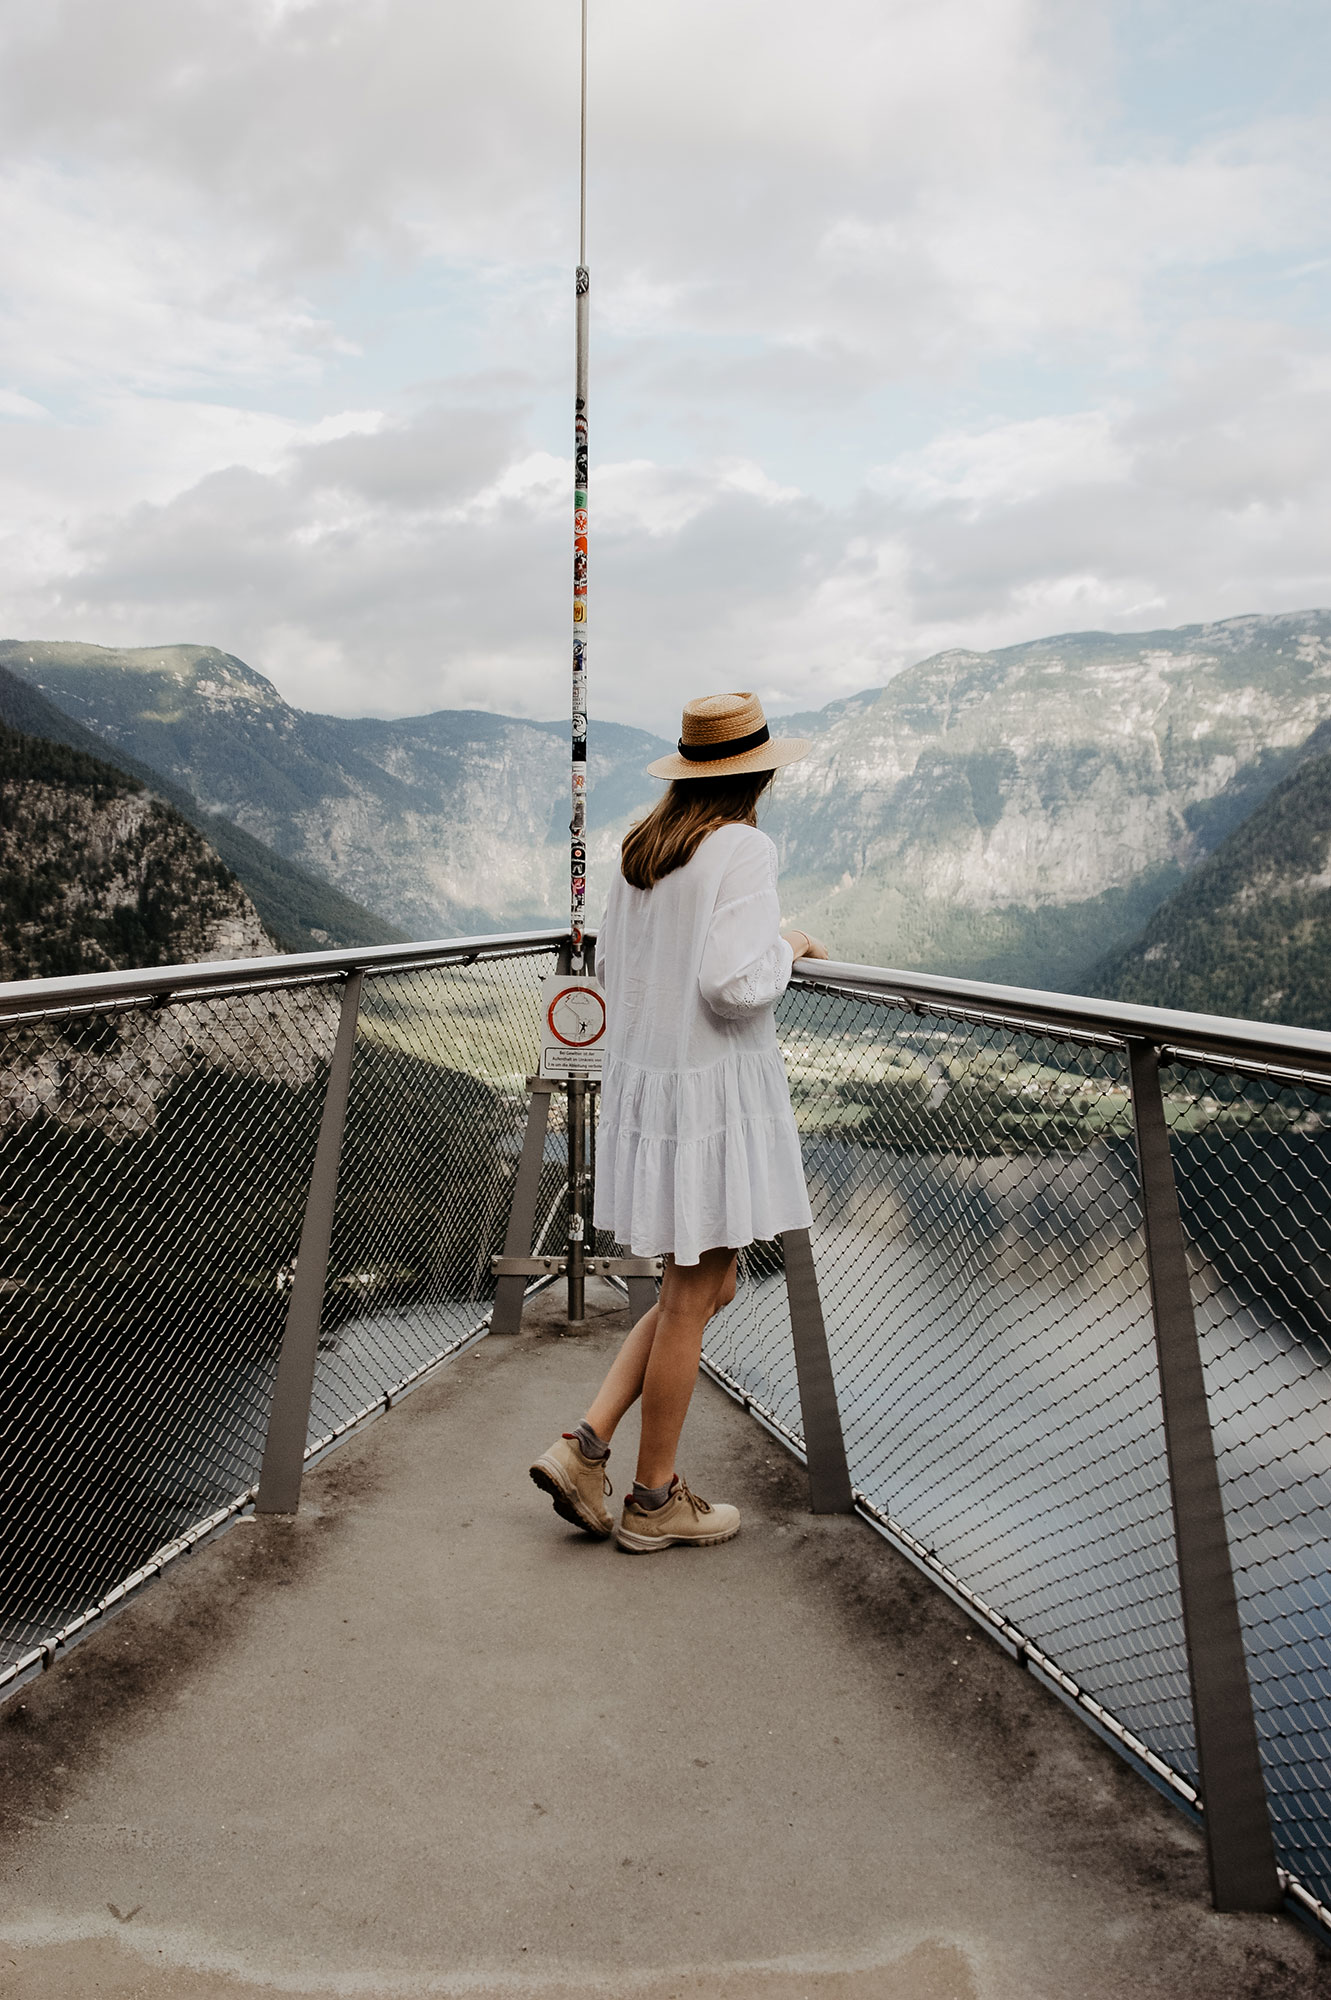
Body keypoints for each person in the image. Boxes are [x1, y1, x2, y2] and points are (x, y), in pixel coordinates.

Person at [530, 691, 828, 1553]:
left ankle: (584, 1447)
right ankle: (654, 1503)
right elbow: (734, 986)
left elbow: (622, 972)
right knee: (694, 1298)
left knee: (703, 1287)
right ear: (757, 772)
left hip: (654, 1091)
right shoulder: (742, 848)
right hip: (711, 1099)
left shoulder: (642, 848)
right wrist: (792, 946)